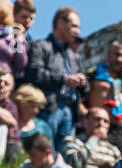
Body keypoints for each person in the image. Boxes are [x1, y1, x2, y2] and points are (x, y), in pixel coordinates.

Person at [24, 5, 82, 149]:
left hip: (71, 111)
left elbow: (84, 87)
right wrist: (63, 80)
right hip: (48, 107)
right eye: (74, 26)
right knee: (45, 149)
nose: (78, 31)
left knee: (64, 156)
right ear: (60, 24)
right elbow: (34, 74)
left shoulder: (74, 56)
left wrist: (83, 81)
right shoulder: (41, 46)